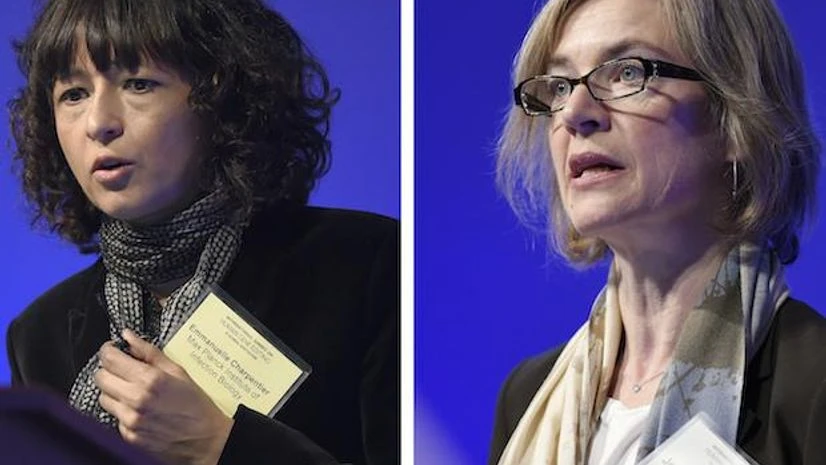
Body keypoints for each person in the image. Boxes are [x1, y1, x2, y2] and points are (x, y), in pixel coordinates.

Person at [4, 0, 399, 464]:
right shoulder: (38, 335)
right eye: (73, 94)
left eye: (138, 84)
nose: (98, 123)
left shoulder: (365, 267)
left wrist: (222, 445)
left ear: (224, 101)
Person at [488, 0, 826, 464]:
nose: (575, 113)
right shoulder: (527, 396)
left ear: (738, 122)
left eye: (627, 73)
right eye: (561, 85)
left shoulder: (814, 385)